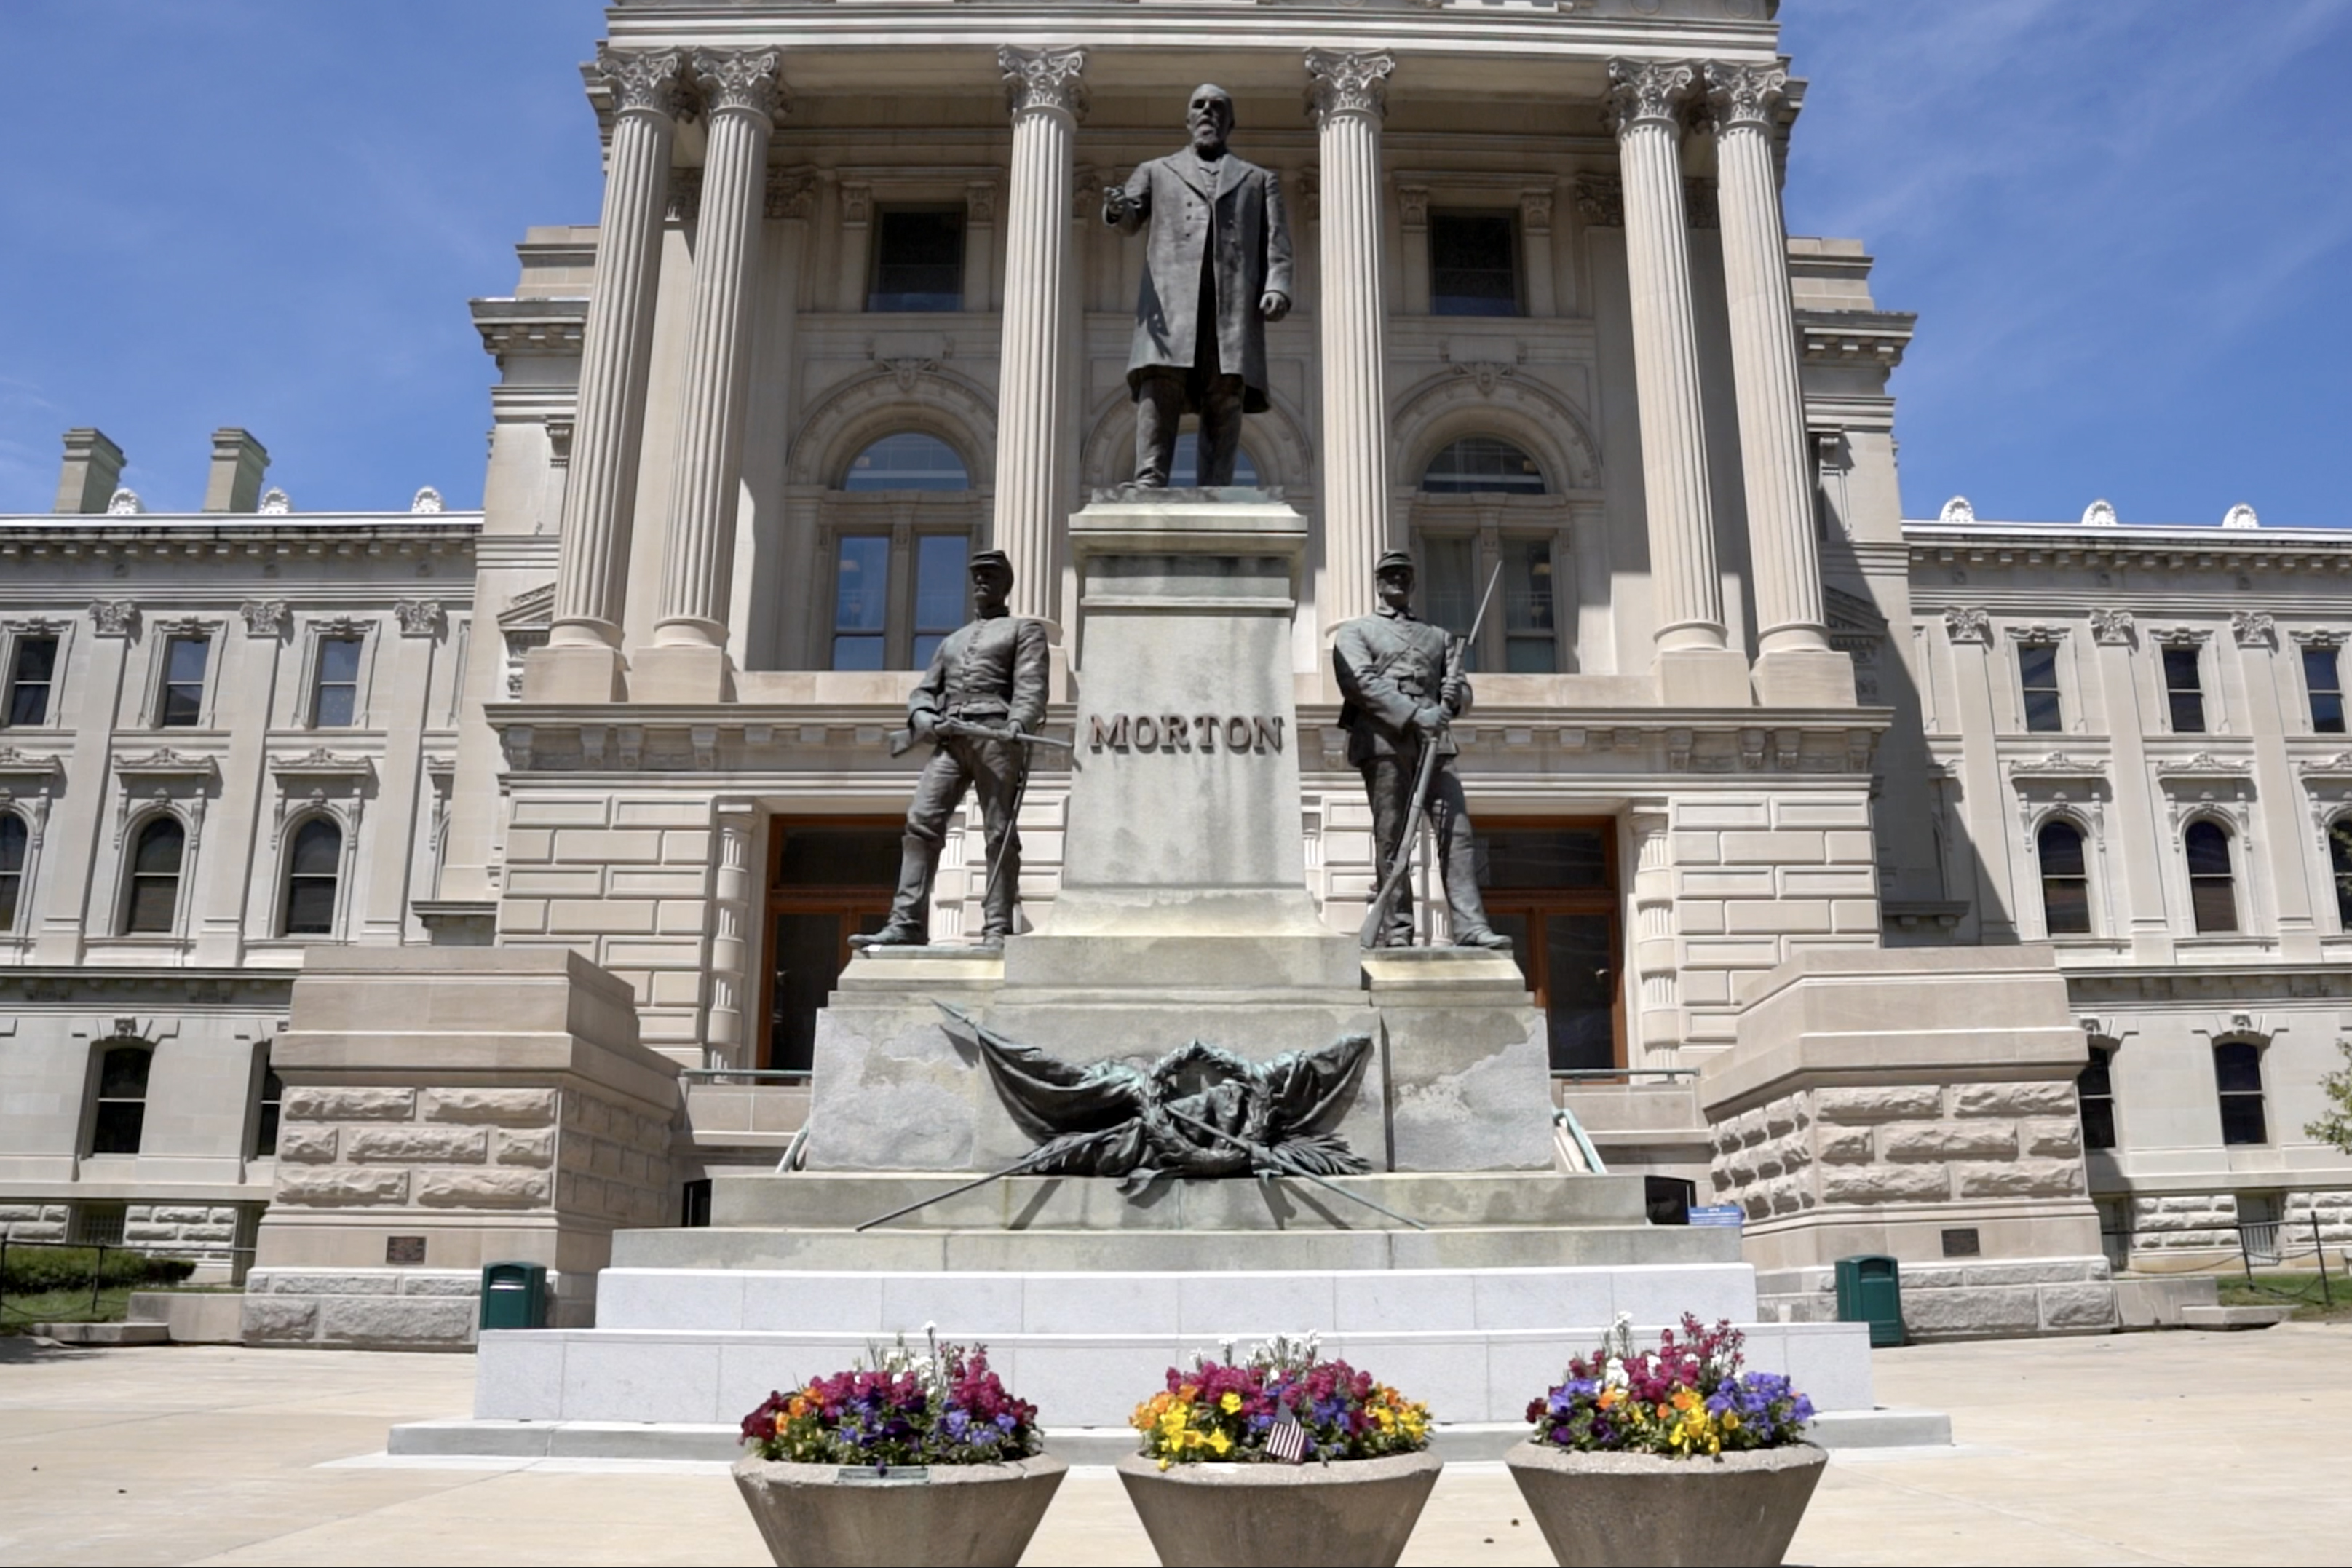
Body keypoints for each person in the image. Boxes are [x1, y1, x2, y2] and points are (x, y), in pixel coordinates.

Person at [853, 549, 1048, 948]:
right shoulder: (952, 641)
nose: (981, 582)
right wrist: (923, 717)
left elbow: (1031, 687)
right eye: (977, 576)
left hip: (996, 735)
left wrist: (1018, 724)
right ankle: (904, 923)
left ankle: (997, 927)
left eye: (990, 576)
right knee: (921, 823)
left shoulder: (1022, 630)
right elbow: (925, 691)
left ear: (1004, 584)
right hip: (950, 738)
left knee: (999, 832)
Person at [1105, 84, 1294, 488]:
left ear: (1230, 122)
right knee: (1161, 386)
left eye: (1218, 107)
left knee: (1225, 392)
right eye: (1200, 106)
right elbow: (1130, 219)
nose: (1208, 112)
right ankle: (1148, 480)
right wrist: (1117, 209)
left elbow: (1276, 242)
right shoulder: (1157, 170)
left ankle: (1217, 487)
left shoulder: (1258, 179)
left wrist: (1277, 286)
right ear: (1188, 119)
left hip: (1232, 305)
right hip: (1172, 304)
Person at [1331, 550, 1511, 951]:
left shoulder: (1440, 636)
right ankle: (1397, 930)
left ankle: (1470, 926)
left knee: (1458, 833)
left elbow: (1462, 691)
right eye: (1389, 575)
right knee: (1393, 836)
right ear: (1378, 583)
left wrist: (1456, 698)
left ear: (1413, 582)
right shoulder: (1356, 632)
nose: (1397, 581)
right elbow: (1357, 681)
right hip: (1385, 737)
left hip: (1437, 744)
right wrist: (1415, 714)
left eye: (1404, 575)